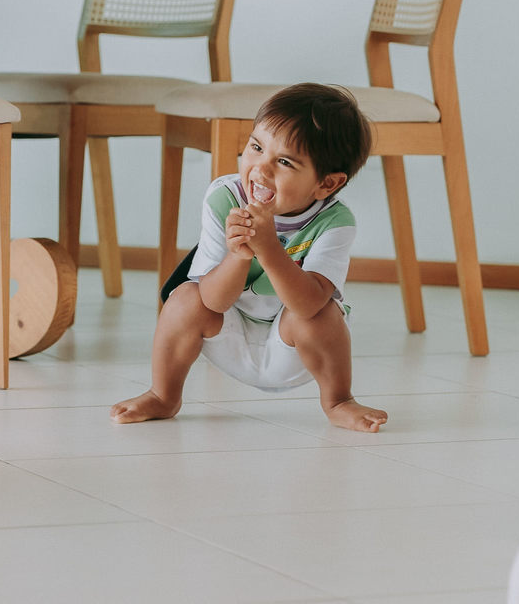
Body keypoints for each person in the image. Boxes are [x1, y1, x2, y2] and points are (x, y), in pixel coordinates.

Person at [110, 83, 388, 432]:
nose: (260, 168)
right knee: (183, 298)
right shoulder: (224, 197)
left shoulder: (335, 221)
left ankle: (338, 400)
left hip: (295, 350)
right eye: (256, 147)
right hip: (230, 334)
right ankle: (164, 395)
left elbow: (308, 304)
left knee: (324, 314)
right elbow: (211, 301)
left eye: (284, 162)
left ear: (326, 184)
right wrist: (239, 256)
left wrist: (270, 249)